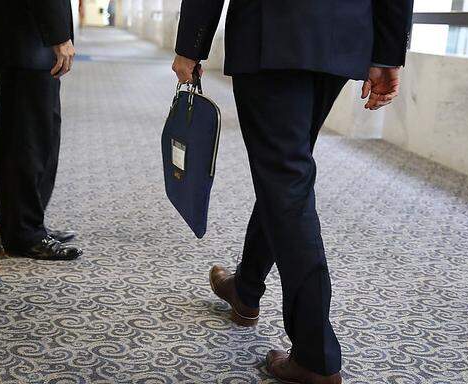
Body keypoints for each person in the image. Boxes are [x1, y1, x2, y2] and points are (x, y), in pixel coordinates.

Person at [172, 1, 413, 383]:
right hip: (342, 35)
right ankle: (245, 289)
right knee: (285, 172)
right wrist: (387, 52)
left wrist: (191, 44)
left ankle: (315, 354)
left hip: (273, 33)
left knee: (285, 177)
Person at [0, 0, 83, 260]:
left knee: (42, 136)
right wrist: (58, 36)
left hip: (32, 40)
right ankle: (24, 234)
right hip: (29, 39)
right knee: (26, 142)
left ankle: (31, 224)